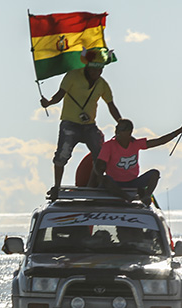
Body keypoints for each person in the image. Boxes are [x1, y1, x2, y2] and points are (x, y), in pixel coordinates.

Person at [40, 47, 122, 199]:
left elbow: (111, 105)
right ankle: (56, 187)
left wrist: (121, 122)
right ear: (87, 67)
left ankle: (96, 186)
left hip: (89, 126)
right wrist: (48, 102)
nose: (97, 73)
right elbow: (59, 95)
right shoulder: (72, 76)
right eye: (94, 70)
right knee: (62, 155)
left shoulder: (102, 84)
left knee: (102, 155)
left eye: (100, 70)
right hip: (69, 124)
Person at [94, 118, 182, 205]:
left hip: (132, 182)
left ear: (129, 132)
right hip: (115, 183)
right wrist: (99, 174)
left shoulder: (135, 144)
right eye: (117, 129)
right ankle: (127, 197)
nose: (117, 132)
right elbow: (99, 166)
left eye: (121, 129)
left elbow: (159, 141)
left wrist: (180, 130)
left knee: (155, 173)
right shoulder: (109, 145)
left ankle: (146, 196)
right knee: (105, 179)